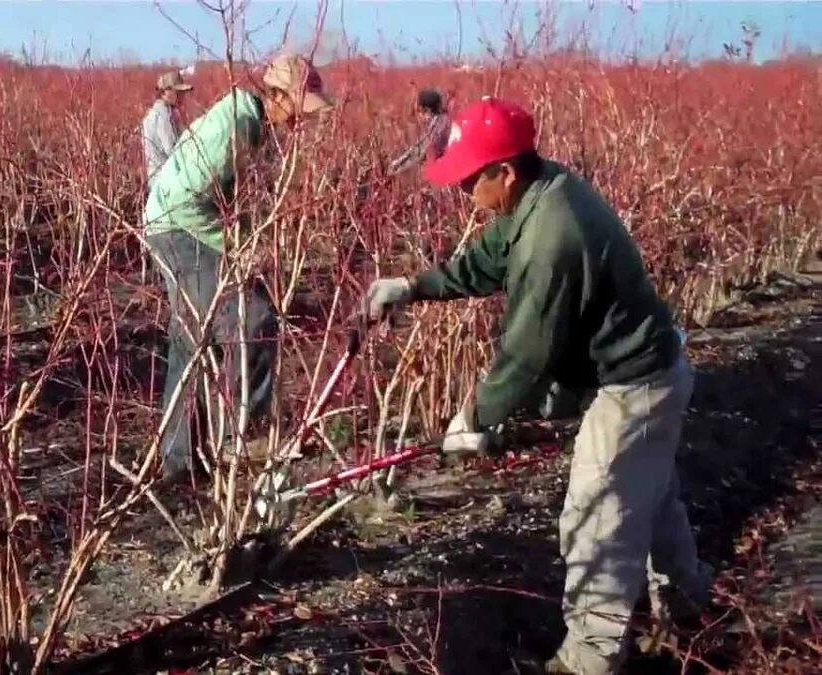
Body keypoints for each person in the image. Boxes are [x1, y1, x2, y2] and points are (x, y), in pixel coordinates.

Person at [361, 97, 714, 674]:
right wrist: (412, 285)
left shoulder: (553, 235)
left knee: (596, 515)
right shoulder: (538, 193)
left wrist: (474, 420)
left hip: (634, 385)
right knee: (650, 493)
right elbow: (486, 261)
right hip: (648, 372)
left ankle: (587, 660)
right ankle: (689, 603)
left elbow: (526, 356)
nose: (461, 191)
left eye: (470, 179)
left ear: (504, 172)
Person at [144, 53, 333, 482]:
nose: (300, 120)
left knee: (192, 341)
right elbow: (186, 199)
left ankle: (179, 462)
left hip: (173, 225)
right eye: (299, 106)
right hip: (178, 227)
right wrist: (236, 246)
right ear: (279, 95)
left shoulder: (251, 122)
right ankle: (242, 436)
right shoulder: (237, 124)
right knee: (255, 320)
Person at [141, 70, 194, 182]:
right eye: (178, 92)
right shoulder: (163, 116)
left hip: (158, 179)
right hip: (164, 181)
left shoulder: (157, 113)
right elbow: (172, 150)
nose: (182, 96)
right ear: (165, 92)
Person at [386, 88, 452, 176]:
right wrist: (399, 161)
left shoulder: (440, 127)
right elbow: (418, 147)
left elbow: (422, 153)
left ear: (427, 111)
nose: (419, 115)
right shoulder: (442, 120)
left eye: (420, 111)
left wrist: (397, 170)